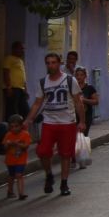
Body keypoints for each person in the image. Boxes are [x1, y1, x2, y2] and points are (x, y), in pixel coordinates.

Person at [24, 53, 85, 196]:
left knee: (65, 154)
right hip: (49, 122)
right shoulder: (43, 82)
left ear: (59, 63)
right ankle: (49, 175)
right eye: (48, 63)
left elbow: (78, 102)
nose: (50, 65)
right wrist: (28, 119)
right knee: (43, 151)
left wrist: (82, 121)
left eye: (53, 62)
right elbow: (37, 103)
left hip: (67, 123)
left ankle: (64, 183)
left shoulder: (70, 80)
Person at [1, 42, 30, 150]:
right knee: (11, 112)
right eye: (20, 49)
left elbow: (23, 76)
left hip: (21, 89)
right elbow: (6, 72)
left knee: (26, 111)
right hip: (12, 88)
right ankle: (9, 135)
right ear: (14, 49)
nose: (22, 51)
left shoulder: (20, 61)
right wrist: (8, 87)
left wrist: (25, 89)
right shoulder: (9, 59)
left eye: (23, 49)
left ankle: (21, 134)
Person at [1, 115, 31, 200]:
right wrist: (8, 144)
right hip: (10, 160)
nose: (14, 129)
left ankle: (21, 193)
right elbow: (4, 148)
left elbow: (26, 146)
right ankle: (10, 191)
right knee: (11, 176)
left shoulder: (25, 134)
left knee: (19, 175)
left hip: (20, 160)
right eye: (11, 127)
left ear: (21, 126)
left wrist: (17, 144)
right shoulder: (8, 135)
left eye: (16, 126)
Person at [75, 67, 98, 137]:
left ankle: (83, 148)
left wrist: (84, 100)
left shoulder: (90, 88)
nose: (79, 77)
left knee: (82, 137)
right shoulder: (73, 87)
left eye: (81, 75)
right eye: (77, 75)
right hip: (73, 116)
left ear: (85, 76)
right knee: (73, 137)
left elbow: (96, 101)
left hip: (86, 116)